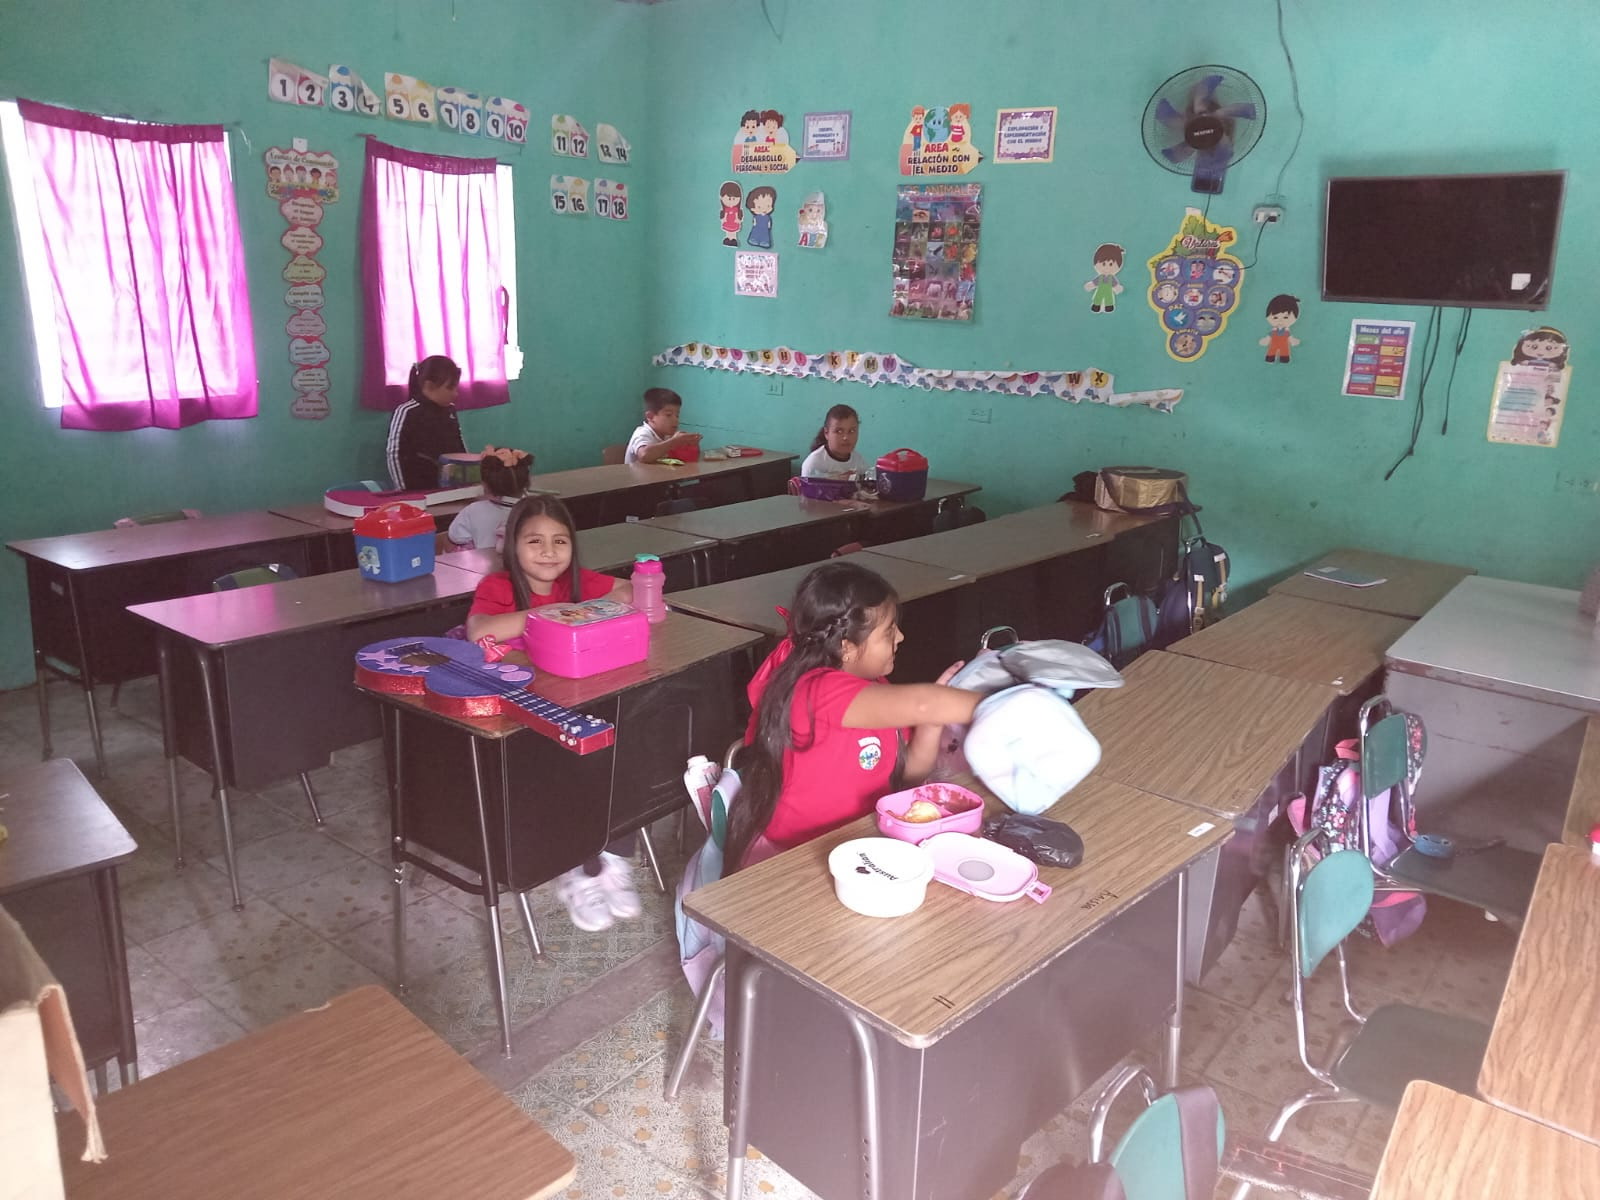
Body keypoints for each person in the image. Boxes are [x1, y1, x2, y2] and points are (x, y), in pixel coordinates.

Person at [722, 561, 982, 873]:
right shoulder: (816, 689)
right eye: (888, 632)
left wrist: (932, 723)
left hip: (855, 844)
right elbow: (924, 702)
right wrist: (1013, 705)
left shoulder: (871, 690)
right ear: (846, 647)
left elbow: (909, 773)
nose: (900, 637)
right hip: (794, 858)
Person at [465, 496, 641, 931]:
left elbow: (628, 591)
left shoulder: (575, 581)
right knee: (566, 769)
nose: (548, 552)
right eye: (535, 541)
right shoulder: (500, 587)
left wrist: (586, 606)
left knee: (622, 749)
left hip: (579, 697)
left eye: (560, 541)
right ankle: (573, 869)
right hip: (523, 714)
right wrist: (552, 615)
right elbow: (480, 631)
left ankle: (615, 858)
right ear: (512, 546)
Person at [386, 356, 467, 491]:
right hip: (418, 489)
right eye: (450, 388)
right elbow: (394, 454)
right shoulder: (408, 411)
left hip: (451, 488)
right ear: (429, 386)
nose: (455, 394)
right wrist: (405, 492)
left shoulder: (450, 410)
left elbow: (460, 446)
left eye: (456, 388)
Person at [446, 446, 531, 550]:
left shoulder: (473, 511)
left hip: (483, 565)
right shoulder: (535, 510)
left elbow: (456, 537)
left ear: (485, 485)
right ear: (527, 483)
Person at [624, 387, 701, 465]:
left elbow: (683, 461)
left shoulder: (666, 437)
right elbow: (644, 455)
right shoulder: (643, 433)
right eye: (668, 415)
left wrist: (690, 445)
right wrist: (674, 441)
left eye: (677, 415)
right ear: (650, 416)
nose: (676, 420)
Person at [799, 404, 866, 479]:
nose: (846, 437)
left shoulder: (859, 462)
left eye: (852, 431)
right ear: (826, 433)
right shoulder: (814, 464)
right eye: (839, 431)